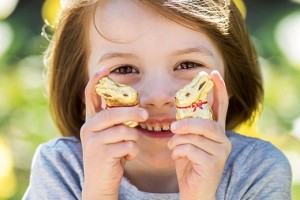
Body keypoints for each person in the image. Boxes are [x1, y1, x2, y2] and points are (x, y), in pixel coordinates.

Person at [23, 0, 292, 199]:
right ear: (81, 88)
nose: (159, 97)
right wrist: (99, 191)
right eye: (125, 69)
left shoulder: (256, 171)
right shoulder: (61, 169)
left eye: (187, 64)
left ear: (230, 79)